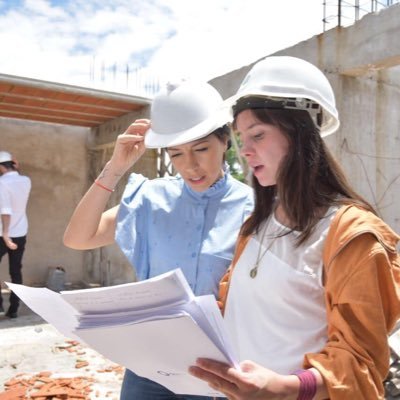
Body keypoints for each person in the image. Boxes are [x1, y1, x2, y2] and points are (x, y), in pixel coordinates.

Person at [188, 56, 400, 400]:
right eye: (241, 138)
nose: (246, 151)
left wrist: (286, 389)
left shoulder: (351, 235)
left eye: (257, 134)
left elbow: (362, 362)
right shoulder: (256, 226)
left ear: (301, 134)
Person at [63, 81, 254, 400]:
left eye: (201, 149)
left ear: (225, 141)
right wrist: (115, 167)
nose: (190, 165)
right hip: (149, 366)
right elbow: (78, 238)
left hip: (221, 369)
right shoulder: (150, 199)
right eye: (176, 154)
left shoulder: (255, 208)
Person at [0, 151, 32, 318]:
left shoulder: (2, 183)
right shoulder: (26, 181)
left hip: (3, 233)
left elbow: (6, 211)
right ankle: (14, 309)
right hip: (20, 232)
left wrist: (5, 234)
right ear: (14, 163)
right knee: (15, 271)